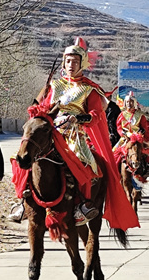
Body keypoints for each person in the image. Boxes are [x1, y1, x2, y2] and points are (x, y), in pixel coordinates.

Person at [35, 38, 138, 230]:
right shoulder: (55, 86)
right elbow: (45, 107)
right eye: (68, 61)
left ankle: (83, 204)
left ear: (82, 63)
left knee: (86, 163)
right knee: (26, 154)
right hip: (52, 131)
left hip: (75, 134)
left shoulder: (88, 89)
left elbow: (96, 115)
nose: (70, 65)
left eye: (75, 61)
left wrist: (76, 118)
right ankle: (26, 200)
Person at [113, 91, 149, 174]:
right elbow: (119, 127)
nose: (129, 104)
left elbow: (144, 126)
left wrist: (143, 131)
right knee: (114, 152)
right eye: (127, 102)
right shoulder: (122, 115)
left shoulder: (140, 115)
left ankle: (148, 165)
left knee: (148, 149)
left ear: (134, 103)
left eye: (131, 102)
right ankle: (116, 172)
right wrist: (123, 133)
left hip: (138, 137)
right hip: (126, 137)